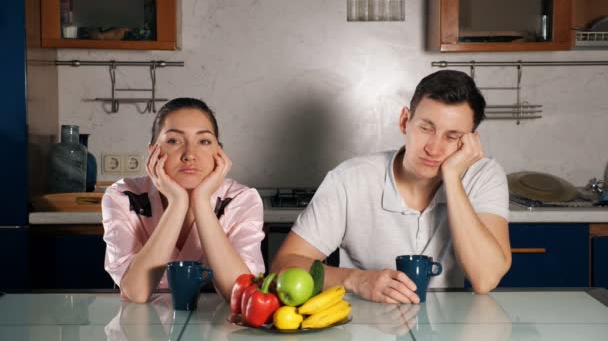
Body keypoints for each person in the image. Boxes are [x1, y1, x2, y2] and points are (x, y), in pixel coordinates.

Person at [271, 70, 511, 303]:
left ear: (469, 141)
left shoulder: (484, 176)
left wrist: (452, 177)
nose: (434, 149)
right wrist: (356, 280)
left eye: (452, 137)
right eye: (426, 128)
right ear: (405, 121)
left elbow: (485, 279)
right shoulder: (349, 179)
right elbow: (284, 266)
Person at [102, 98, 265, 303]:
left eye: (204, 141)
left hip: (214, 326)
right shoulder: (123, 196)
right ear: (153, 150)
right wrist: (178, 203)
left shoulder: (242, 199)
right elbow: (137, 292)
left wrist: (201, 202)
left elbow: (240, 294)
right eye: (174, 141)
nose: (190, 154)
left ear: (219, 152)